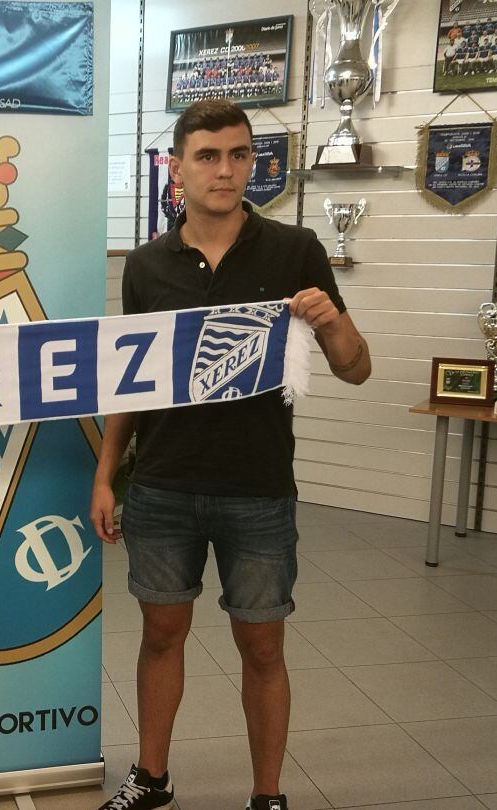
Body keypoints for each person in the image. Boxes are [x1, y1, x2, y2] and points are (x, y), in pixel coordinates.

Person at [89, 99, 371, 810]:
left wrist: (332, 319)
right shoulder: (147, 266)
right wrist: (105, 474)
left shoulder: (295, 250)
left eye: (239, 154)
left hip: (258, 486)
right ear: (177, 167)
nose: (226, 169)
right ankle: (152, 779)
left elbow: (356, 367)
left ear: (253, 161)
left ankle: (268, 795)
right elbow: (130, 378)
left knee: (264, 647)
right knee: (161, 634)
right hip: (162, 484)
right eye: (209, 156)